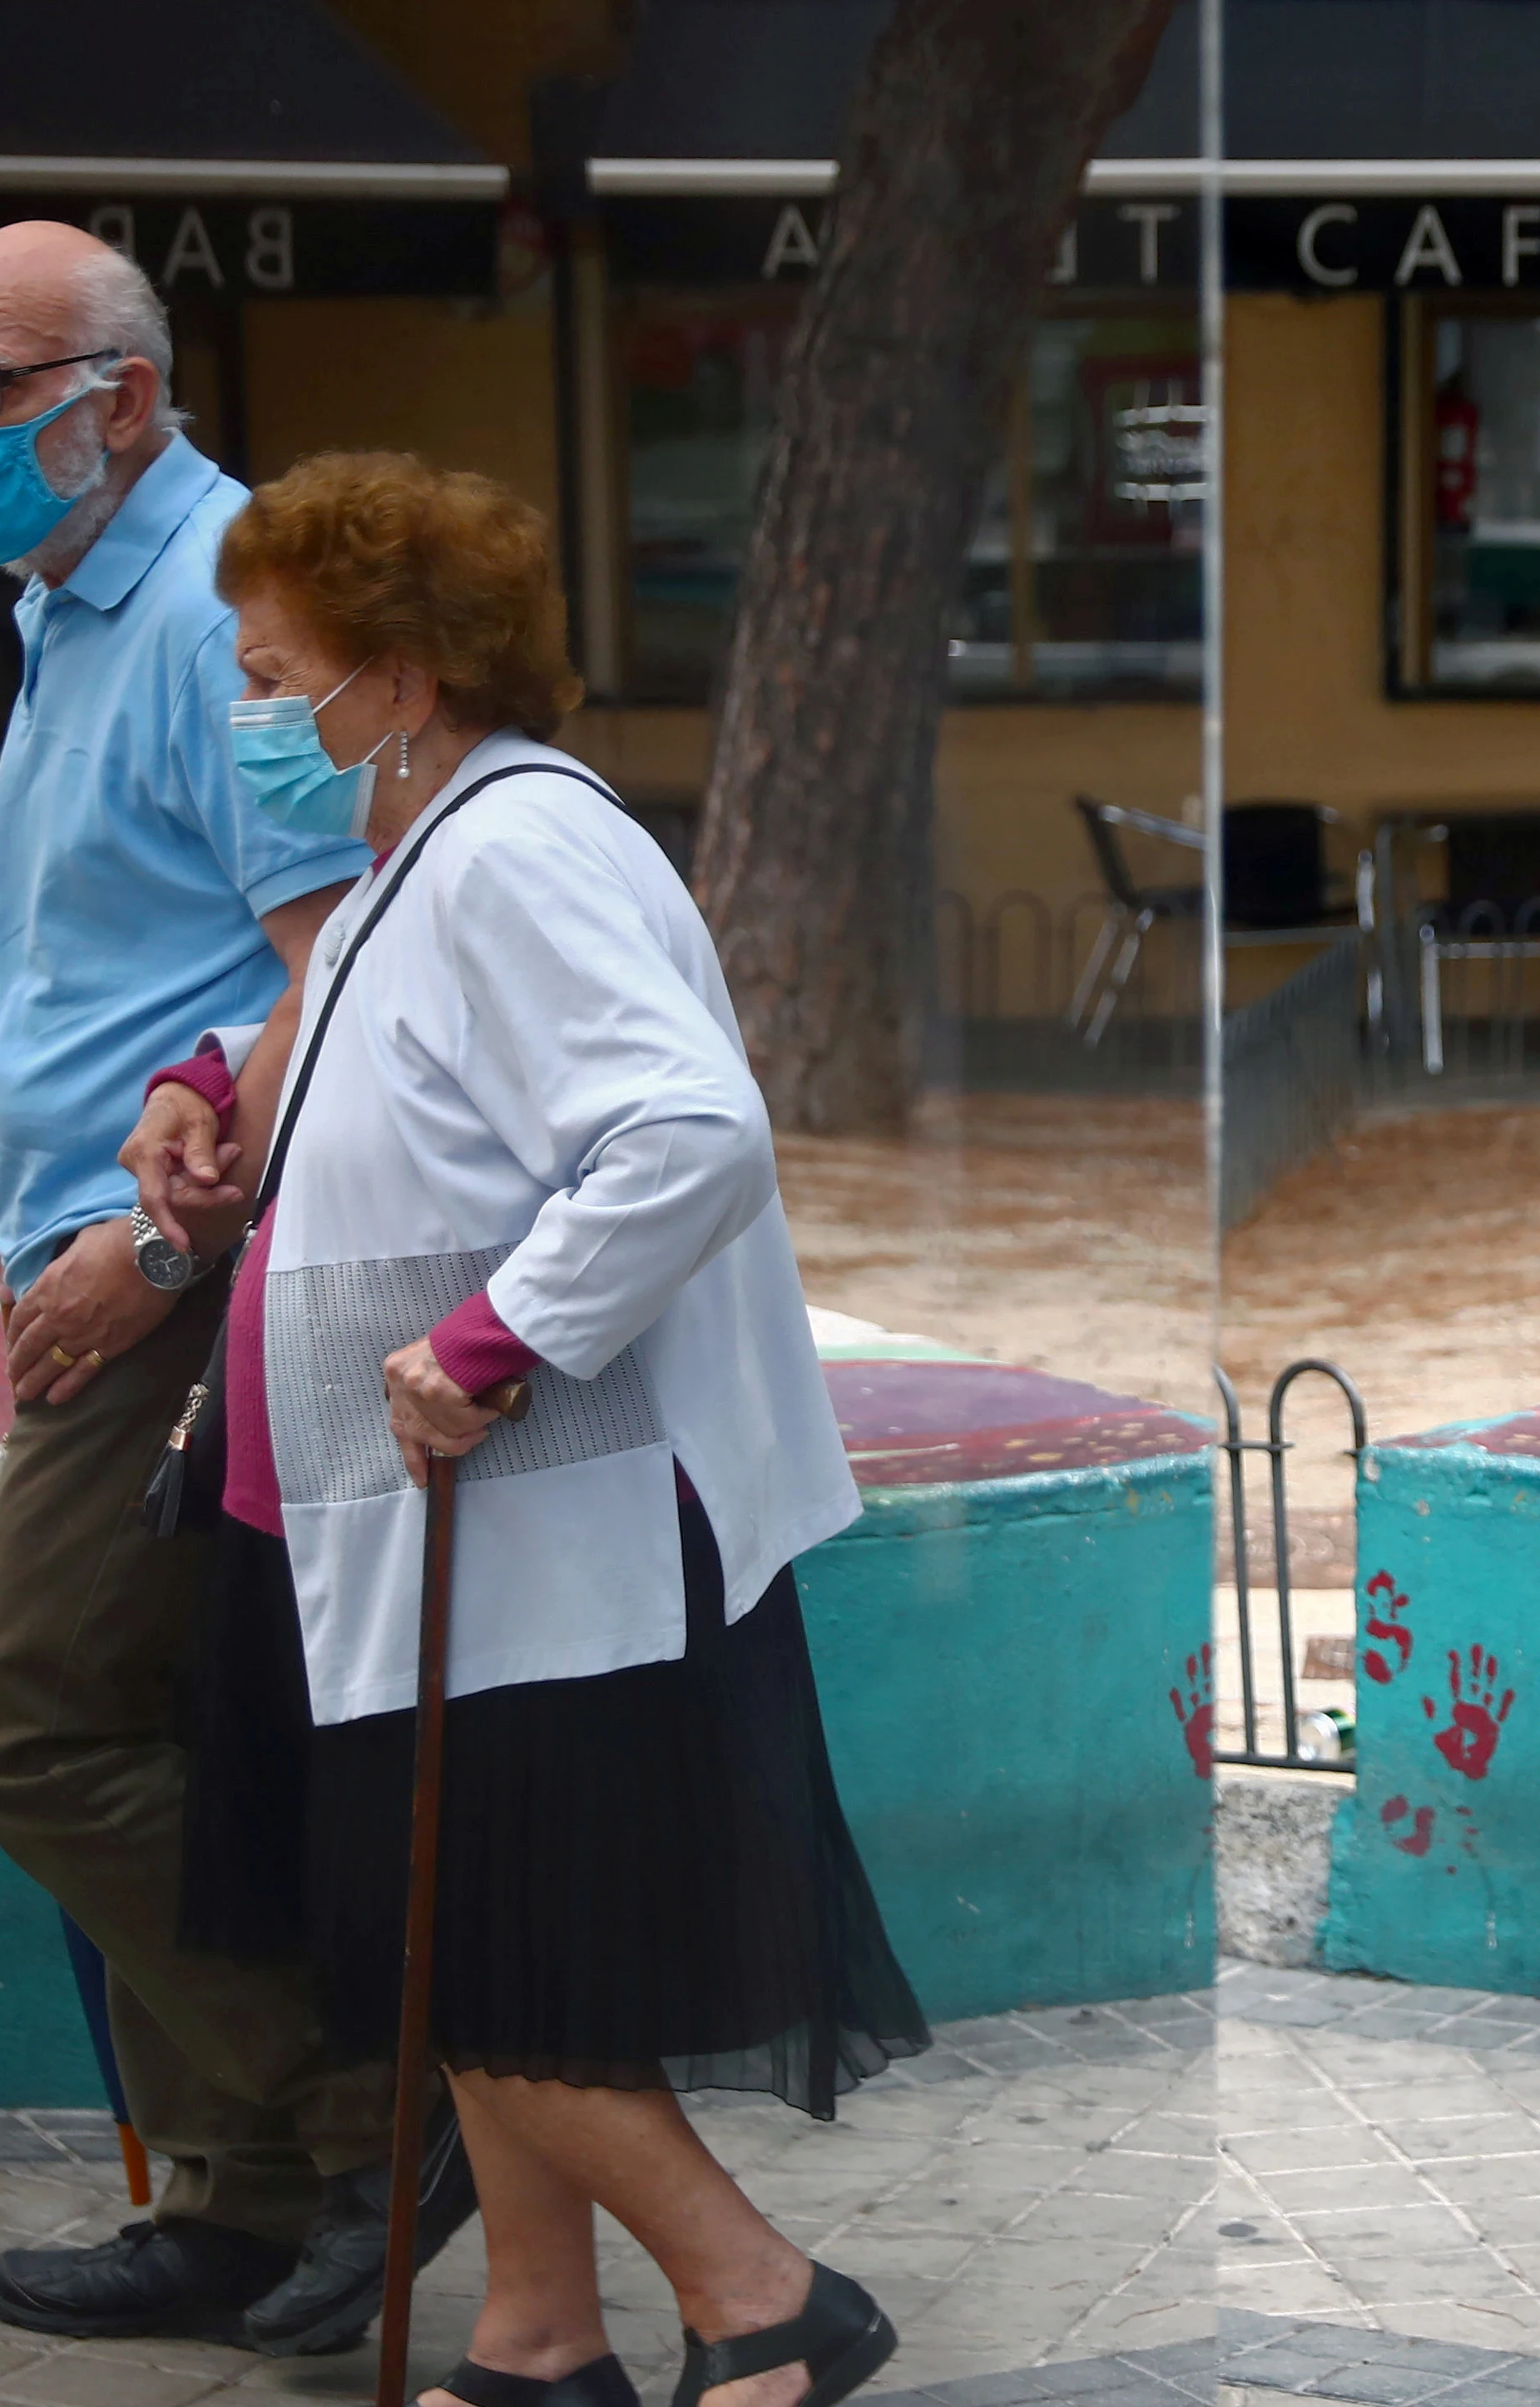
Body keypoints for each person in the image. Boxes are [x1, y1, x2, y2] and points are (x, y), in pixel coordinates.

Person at [125, 450, 926, 2407]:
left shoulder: (516, 848)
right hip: (394, 1506)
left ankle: (764, 2299)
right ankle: (535, 2336)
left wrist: (492, 1341)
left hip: (531, 1504)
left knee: (484, 1966)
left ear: (396, 681)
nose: (247, 711)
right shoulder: (426, 851)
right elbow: (374, 1051)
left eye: (272, 670)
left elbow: (686, 1134)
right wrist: (215, 1080)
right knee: (461, 1952)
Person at [0, 221, 465, 2352]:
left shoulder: (232, 615)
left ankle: (365, 2105)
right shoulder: (76, 599)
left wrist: (157, 1241)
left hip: (194, 1271)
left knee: (28, 1727)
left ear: (117, 398)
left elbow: (331, 963)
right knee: (156, 1726)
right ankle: (233, 2202)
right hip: (104, 1246)